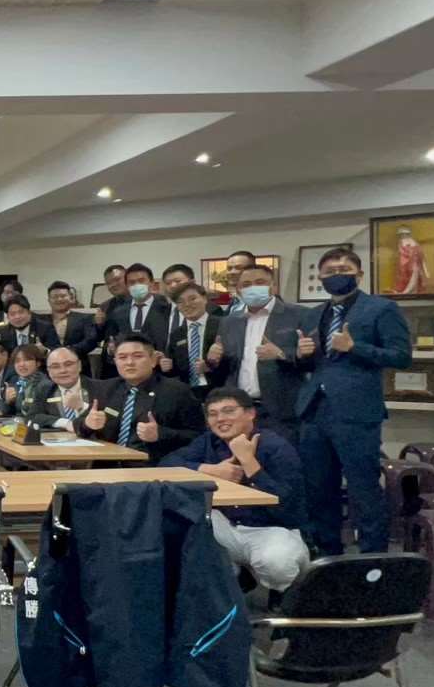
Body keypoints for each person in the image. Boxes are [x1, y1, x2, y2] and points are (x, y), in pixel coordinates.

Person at [295, 247, 412, 554]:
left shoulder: (382, 308)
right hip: (314, 410)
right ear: (320, 277)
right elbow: (316, 364)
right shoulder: (313, 313)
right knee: (319, 488)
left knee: (363, 488)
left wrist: (355, 347)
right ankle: (327, 556)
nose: (337, 275)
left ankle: (372, 559)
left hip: (356, 412)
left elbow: (401, 356)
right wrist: (302, 355)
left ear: (359, 274)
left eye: (344, 270)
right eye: (330, 271)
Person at [163, 388, 310, 591]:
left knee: (277, 563)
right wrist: (211, 469)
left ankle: (283, 595)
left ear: (251, 413)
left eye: (229, 411)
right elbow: (168, 463)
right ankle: (232, 583)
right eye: (213, 414)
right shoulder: (208, 441)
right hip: (227, 525)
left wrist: (249, 463)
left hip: (271, 528)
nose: (220, 419)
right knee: (184, 526)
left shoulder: (276, 446)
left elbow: (288, 507)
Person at [206, 264, 307, 443]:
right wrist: (214, 360)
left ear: (273, 286)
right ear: (238, 290)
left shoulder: (298, 315)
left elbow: (312, 361)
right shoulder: (229, 322)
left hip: (282, 411)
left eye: (260, 282)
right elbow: (227, 369)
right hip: (240, 409)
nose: (253, 288)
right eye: (246, 284)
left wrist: (282, 354)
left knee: (281, 457)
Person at [81, 334, 204, 462]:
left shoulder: (177, 391)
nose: (129, 362)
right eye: (122, 357)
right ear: (115, 361)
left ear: (153, 360)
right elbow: (80, 426)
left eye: (137, 356)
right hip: (105, 464)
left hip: (152, 466)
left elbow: (199, 436)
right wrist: (88, 424)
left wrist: (161, 434)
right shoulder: (105, 388)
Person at [159, 282, 220, 397]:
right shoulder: (177, 334)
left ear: (205, 299)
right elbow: (176, 369)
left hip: (218, 389)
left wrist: (210, 367)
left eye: (192, 299)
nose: (187, 304)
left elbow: (235, 362)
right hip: (188, 393)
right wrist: (167, 367)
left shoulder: (222, 325)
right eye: (180, 302)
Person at [105, 263, 171, 352]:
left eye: (141, 281)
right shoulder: (118, 313)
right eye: (132, 282)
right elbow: (110, 341)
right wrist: (110, 349)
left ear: (152, 283)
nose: (137, 285)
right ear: (127, 286)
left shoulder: (166, 309)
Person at [45, 280, 99, 375]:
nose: (59, 299)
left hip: (80, 370)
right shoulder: (40, 321)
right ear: (49, 300)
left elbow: (91, 341)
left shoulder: (85, 318)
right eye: (55, 297)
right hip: (48, 371)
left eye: (63, 296)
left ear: (70, 298)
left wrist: (68, 351)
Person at [33, 346, 92, 430]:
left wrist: (82, 407)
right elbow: (33, 417)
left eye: (68, 364)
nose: (62, 370)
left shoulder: (101, 387)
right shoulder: (44, 389)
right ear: (48, 371)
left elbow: (107, 420)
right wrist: (64, 423)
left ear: (79, 365)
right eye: (55, 366)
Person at [3, 344, 50, 418]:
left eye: (27, 360)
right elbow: (7, 412)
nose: (21, 364)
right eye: (17, 361)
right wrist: (8, 402)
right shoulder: (16, 382)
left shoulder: (45, 385)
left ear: (38, 363)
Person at [160, 263, 197, 336]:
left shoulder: (210, 310)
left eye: (178, 281)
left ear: (192, 282)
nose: (173, 286)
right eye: (168, 283)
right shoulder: (160, 311)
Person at [393, 227, 429, 295]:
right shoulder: (403, 242)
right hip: (408, 265)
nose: (402, 236)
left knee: (413, 277)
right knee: (407, 277)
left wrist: (425, 270)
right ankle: (405, 292)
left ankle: (406, 292)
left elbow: (420, 254)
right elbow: (402, 255)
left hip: (412, 264)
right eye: (401, 234)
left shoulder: (412, 242)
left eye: (403, 234)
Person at [223, 250, 258, 316]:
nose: (232, 272)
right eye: (229, 268)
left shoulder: (263, 301)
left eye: (238, 268)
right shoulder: (236, 300)